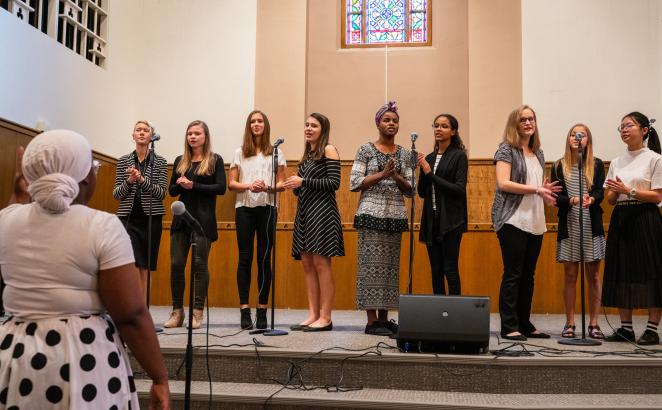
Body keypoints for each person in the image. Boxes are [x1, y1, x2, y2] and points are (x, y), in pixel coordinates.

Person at [0, 130, 169, 409]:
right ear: (85, 177)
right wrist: (159, 378)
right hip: (84, 355)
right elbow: (130, 315)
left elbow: (16, 211)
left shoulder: (6, 219)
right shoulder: (102, 225)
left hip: (17, 355)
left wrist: (20, 189)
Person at [492, 105, 561, 341]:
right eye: (523, 119)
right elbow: (504, 183)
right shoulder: (506, 150)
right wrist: (537, 189)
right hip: (512, 219)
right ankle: (509, 325)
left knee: (528, 275)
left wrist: (547, 196)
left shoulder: (538, 153)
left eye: (532, 119)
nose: (529, 123)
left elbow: (540, 188)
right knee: (513, 273)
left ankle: (524, 322)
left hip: (535, 220)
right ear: (515, 124)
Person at [350, 101, 412, 336]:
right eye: (386, 120)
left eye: (394, 120)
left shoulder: (405, 153)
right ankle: (371, 321)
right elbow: (355, 182)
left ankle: (385, 320)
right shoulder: (365, 150)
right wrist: (382, 174)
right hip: (370, 214)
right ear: (378, 123)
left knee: (388, 270)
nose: (391, 124)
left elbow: (411, 188)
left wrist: (395, 175)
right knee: (370, 268)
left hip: (394, 215)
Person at [603, 112, 662, 345]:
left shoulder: (655, 159)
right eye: (621, 127)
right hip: (621, 217)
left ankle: (651, 329)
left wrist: (630, 190)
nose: (624, 130)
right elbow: (609, 199)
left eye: (629, 125)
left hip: (645, 217)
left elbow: (657, 195)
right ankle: (625, 328)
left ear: (644, 130)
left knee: (651, 271)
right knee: (621, 270)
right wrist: (617, 191)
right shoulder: (617, 161)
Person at [284, 113, 345, 332]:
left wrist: (304, 181)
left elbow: (334, 183)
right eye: (307, 125)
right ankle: (313, 314)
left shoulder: (329, 149)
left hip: (323, 213)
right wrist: (296, 185)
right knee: (307, 264)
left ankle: (326, 317)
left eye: (314, 126)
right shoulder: (307, 155)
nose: (309, 128)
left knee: (321, 264)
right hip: (305, 213)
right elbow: (303, 188)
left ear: (323, 129)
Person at [165, 121, 226, 330]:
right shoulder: (180, 160)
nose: (192, 137)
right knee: (176, 265)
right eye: (189, 133)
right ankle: (177, 311)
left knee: (200, 266)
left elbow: (221, 188)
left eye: (197, 133)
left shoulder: (215, 160)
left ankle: (197, 312)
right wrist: (180, 184)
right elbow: (172, 191)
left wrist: (194, 185)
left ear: (205, 136)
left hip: (203, 220)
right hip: (181, 219)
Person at [228, 110, 285, 330]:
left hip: (268, 209)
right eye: (253, 121)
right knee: (245, 258)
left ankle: (262, 309)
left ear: (266, 125)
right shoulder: (240, 152)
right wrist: (249, 185)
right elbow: (232, 184)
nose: (256, 124)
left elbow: (282, 184)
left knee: (264, 259)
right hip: (244, 209)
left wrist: (268, 187)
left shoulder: (277, 152)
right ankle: (244, 309)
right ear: (248, 126)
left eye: (260, 121)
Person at [550, 124, 606, 339]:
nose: (577, 138)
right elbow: (556, 198)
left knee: (593, 275)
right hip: (570, 224)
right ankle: (570, 322)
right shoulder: (558, 165)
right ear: (568, 138)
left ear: (588, 141)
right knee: (571, 275)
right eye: (573, 134)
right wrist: (572, 200)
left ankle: (593, 324)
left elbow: (600, 191)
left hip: (591, 225)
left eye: (581, 135)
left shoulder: (597, 164)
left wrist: (592, 199)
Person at [113, 120, 168, 302]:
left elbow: (161, 193)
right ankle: (134, 305)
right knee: (134, 263)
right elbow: (117, 194)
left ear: (151, 136)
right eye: (138, 130)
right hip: (128, 218)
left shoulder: (159, 162)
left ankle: (143, 308)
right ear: (133, 135)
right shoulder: (123, 161)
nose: (142, 133)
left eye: (146, 130)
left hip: (152, 218)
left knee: (146, 266)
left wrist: (142, 180)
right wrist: (130, 180)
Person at [416, 114, 468, 295]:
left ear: (453, 131)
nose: (438, 129)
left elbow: (459, 189)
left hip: (452, 220)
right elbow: (422, 192)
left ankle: (454, 315)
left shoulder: (459, 156)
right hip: (432, 219)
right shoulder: (429, 157)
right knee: (436, 270)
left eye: (444, 126)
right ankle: (439, 314)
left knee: (449, 268)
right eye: (436, 125)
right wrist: (423, 171)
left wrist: (430, 175)